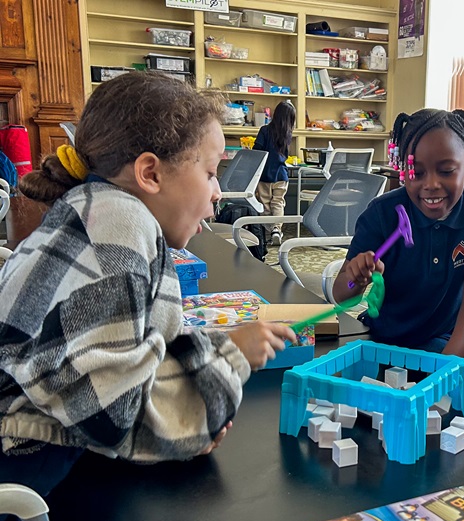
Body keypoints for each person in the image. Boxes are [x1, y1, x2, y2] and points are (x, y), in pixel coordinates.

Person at [0, 71, 295, 497]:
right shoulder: (119, 223)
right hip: (20, 473)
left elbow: (133, 348)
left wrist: (204, 369)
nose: (217, 193)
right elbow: (117, 416)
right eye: (210, 172)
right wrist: (231, 358)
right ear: (150, 173)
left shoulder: (96, 208)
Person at [333, 108, 464, 356]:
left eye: (446, 171)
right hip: (380, 339)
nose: (431, 185)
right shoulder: (381, 213)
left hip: (440, 342)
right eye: (417, 173)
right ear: (402, 170)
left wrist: (447, 365)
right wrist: (356, 278)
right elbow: (341, 294)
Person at [252, 100, 295, 246]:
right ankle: (276, 230)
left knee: (265, 204)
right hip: (281, 174)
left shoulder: (265, 130)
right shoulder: (287, 134)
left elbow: (257, 151)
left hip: (264, 175)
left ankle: (269, 231)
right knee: (278, 203)